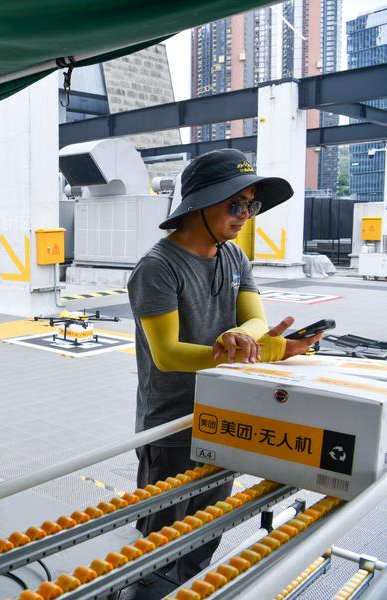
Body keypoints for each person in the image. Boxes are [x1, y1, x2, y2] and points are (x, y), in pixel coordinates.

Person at [126, 149, 323, 583]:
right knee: (158, 542)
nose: (245, 216)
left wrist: (245, 337)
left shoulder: (233, 257)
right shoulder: (157, 268)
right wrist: (265, 349)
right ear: (199, 204)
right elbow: (168, 354)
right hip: (173, 427)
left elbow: (255, 317)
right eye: (236, 205)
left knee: (207, 531)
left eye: (251, 206)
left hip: (225, 417)